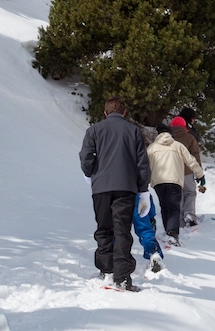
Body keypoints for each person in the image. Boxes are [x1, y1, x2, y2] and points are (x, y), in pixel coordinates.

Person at [79, 97, 151, 291]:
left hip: (100, 187)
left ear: (105, 112)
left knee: (104, 227)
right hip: (126, 187)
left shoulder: (93, 130)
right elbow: (142, 163)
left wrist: (91, 174)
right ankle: (122, 276)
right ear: (124, 112)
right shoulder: (134, 131)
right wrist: (143, 190)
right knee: (122, 229)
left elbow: (86, 157)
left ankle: (106, 269)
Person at [148, 124, 203, 241]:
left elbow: (145, 165)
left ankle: (168, 229)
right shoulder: (178, 146)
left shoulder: (152, 148)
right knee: (174, 207)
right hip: (175, 181)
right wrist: (200, 174)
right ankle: (172, 233)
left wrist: (142, 180)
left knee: (164, 206)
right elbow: (191, 160)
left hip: (158, 182)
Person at [170, 111, 206, 227]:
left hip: (173, 172)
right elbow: (195, 154)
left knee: (178, 195)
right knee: (190, 193)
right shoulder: (190, 137)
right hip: (187, 171)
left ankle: (179, 220)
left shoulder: (168, 138)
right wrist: (199, 172)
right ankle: (189, 214)